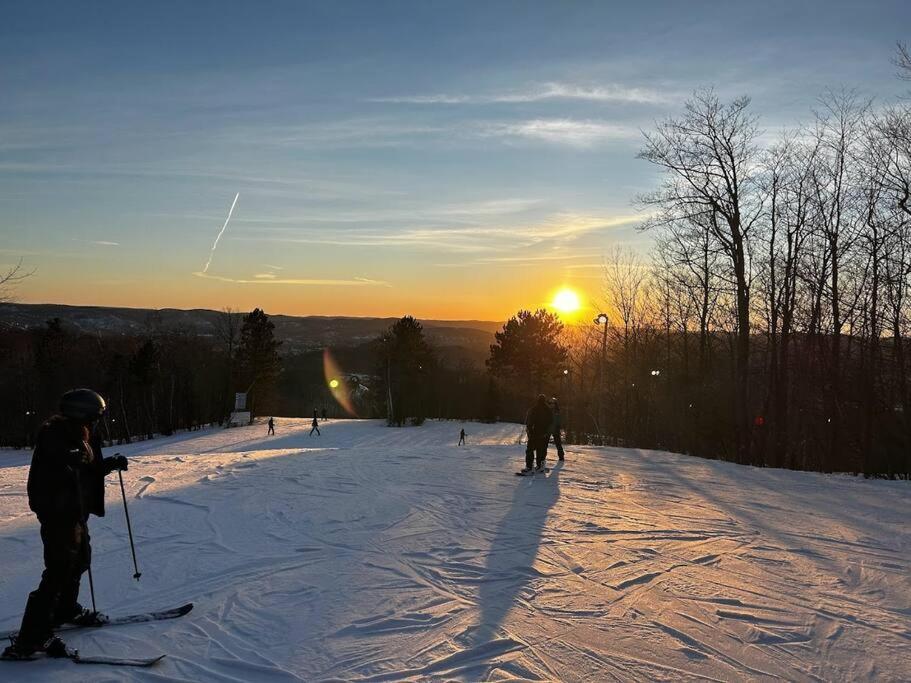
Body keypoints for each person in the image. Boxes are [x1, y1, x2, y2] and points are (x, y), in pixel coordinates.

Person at [2, 389, 128, 660]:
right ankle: (31, 639)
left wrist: (109, 464)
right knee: (58, 571)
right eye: (96, 415)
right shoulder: (55, 434)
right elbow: (63, 459)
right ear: (83, 413)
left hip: (74, 511)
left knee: (80, 560)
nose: (98, 421)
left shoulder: (80, 432)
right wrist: (74, 456)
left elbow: (85, 466)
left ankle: (65, 609)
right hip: (57, 512)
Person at [521, 394, 553, 474]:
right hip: (545, 434)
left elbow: (530, 422)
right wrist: (548, 433)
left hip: (535, 433)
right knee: (542, 450)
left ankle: (529, 467)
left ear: (538, 400)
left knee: (530, 450)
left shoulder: (534, 409)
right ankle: (540, 466)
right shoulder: (548, 410)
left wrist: (529, 431)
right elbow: (551, 423)